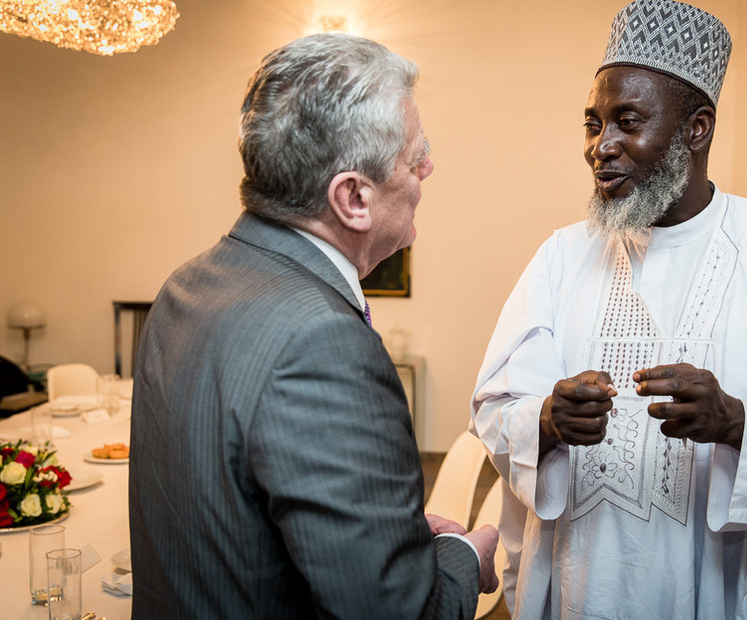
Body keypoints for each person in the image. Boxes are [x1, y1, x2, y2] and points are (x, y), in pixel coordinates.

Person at [471, 0, 747, 619]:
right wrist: (546, 419)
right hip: (584, 592)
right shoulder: (560, 258)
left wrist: (737, 423)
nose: (601, 147)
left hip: (727, 596)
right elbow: (495, 409)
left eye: (627, 121)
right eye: (593, 124)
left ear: (696, 129)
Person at [129, 33, 499, 619]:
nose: (429, 166)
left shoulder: (186, 284)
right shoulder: (323, 344)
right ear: (354, 197)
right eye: (415, 154)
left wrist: (379, 530)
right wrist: (460, 556)